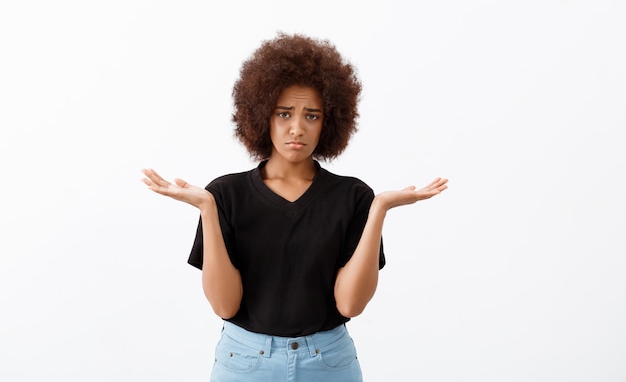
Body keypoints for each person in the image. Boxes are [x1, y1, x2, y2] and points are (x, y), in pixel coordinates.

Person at [141, 32, 448, 382]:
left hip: (330, 363)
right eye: (284, 113)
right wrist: (208, 210)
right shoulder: (226, 195)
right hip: (244, 363)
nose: (297, 128)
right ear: (261, 116)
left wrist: (379, 209)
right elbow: (225, 306)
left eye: (312, 116)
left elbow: (350, 305)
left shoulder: (354, 197)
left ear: (330, 122)